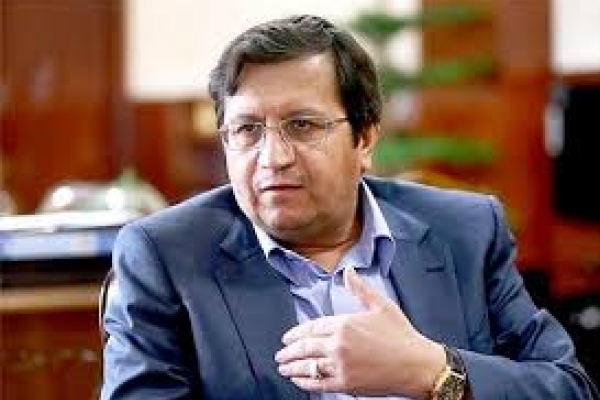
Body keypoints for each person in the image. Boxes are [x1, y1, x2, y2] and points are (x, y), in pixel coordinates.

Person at [101, 14, 598, 400]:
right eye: (247, 130)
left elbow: (569, 388)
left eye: (302, 125)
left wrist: (432, 371)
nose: (272, 158)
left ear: (364, 138)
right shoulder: (168, 256)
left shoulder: (464, 232)